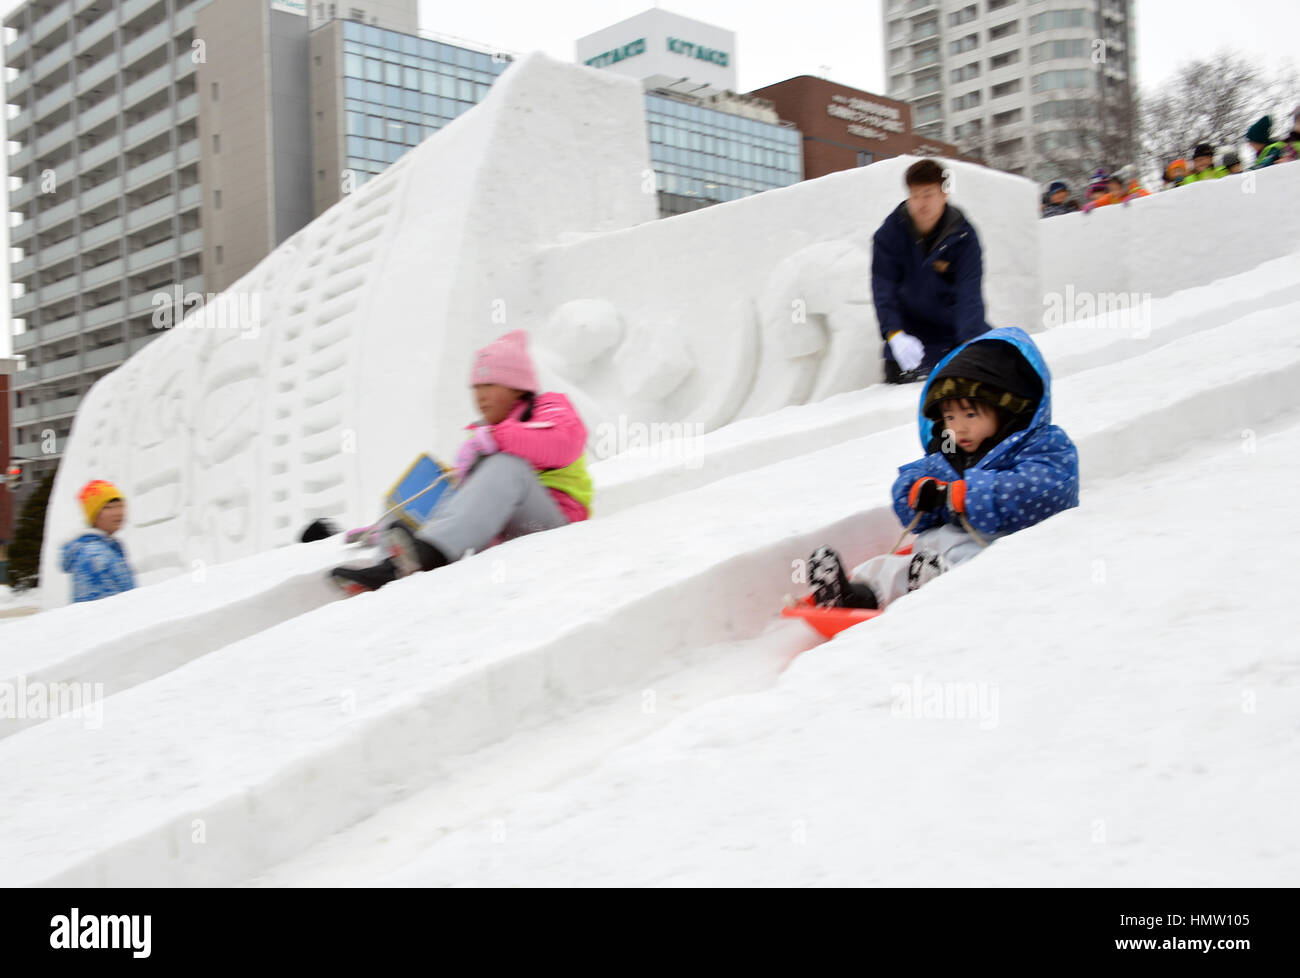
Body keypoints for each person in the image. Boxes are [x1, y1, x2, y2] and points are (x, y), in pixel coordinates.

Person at [803, 327, 1078, 611]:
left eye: (970, 414)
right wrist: (917, 492)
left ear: (1005, 409)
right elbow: (914, 475)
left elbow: (1045, 487)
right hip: (934, 550)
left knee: (966, 561)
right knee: (891, 565)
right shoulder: (949, 450)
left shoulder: (1043, 445)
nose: (959, 427)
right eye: (949, 417)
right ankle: (853, 593)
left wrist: (966, 495)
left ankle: (936, 588)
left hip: (997, 548)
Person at [330, 329, 593, 592]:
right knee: (428, 483)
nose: (480, 395)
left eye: (489, 384)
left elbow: (565, 443)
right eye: (476, 387)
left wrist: (495, 438)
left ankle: (425, 555)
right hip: (502, 530)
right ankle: (389, 566)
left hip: (555, 526)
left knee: (508, 467)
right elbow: (464, 501)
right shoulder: (481, 435)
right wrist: (391, 525)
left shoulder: (548, 408)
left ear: (517, 387)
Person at [871, 158, 991, 385]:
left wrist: (970, 342)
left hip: (954, 337)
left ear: (944, 194)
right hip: (908, 344)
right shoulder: (889, 236)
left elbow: (969, 293)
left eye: (928, 194)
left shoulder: (964, 237)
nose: (920, 203)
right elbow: (883, 289)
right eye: (914, 195)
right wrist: (894, 334)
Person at [60, 480, 137, 603]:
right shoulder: (94, 555)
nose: (118, 512)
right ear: (94, 516)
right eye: (108, 508)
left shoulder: (109, 549)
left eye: (120, 505)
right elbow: (105, 610)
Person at [1082, 172, 1150, 211]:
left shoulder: (1134, 190)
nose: (1114, 193)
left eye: (1116, 189)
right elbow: (1103, 200)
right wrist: (1094, 204)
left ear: (1123, 186)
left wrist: (1137, 196)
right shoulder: (1112, 197)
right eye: (1111, 190)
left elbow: (1148, 196)